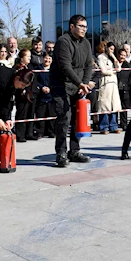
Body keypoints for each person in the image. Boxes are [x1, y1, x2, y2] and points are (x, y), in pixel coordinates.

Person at [50, 15, 95, 166]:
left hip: (78, 86)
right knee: (64, 118)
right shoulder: (63, 42)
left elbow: (89, 65)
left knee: (78, 119)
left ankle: (74, 150)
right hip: (61, 85)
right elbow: (65, 66)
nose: (84, 29)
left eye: (85, 27)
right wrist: (80, 83)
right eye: (81, 26)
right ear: (72, 27)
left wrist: (86, 83)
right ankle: (61, 152)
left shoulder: (86, 43)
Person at [96, 41, 122, 135]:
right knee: (104, 105)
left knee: (114, 105)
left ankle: (113, 126)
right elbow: (103, 70)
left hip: (114, 83)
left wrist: (114, 58)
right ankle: (104, 127)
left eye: (113, 49)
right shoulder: (100, 57)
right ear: (106, 48)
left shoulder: (113, 58)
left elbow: (118, 69)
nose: (111, 51)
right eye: (110, 49)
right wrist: (112, 71)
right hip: (105, 83)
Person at [13, 50, 35, 142]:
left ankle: (29, 133)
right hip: (21, 94)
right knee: (22, 113)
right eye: (27, 56)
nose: (29, 58)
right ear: (22, 58)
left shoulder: (29, 67)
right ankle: (20, 134)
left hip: (30, 93)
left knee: (30, 113)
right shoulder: (17, 67)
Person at [32, 54, 55, 139]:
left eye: (49, 58)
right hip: (41, 96)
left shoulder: (54, 69)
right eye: (46, 58)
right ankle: (40, 132)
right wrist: (42, 87)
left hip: (51, 96)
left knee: (51, 115)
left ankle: (51, 132)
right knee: (40, 115)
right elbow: (35, 81)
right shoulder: (38, 69)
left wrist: (51, 88)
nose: (47, 60)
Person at [116, 48, 131, 129]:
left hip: (125, 90)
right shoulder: (114, 64)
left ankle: (123, 124)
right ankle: (113, 124)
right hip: (115, 88)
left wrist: (127, 88)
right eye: (121, 55)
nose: (122, 57)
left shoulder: (128, 66)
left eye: (124, 55)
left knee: (124, 107)